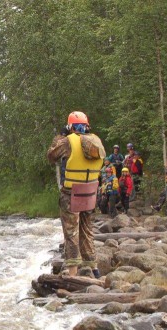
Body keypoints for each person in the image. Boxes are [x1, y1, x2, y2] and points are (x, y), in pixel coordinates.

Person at [47, 111, 105, 278]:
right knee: (87, 230)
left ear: (70, 126)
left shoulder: (67, 141)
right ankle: (95, 270)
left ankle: (73, 274)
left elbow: (51, 155)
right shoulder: (96, 141)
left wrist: (60, 135)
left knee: (71, 232)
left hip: (71, 192)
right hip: (90, 192)